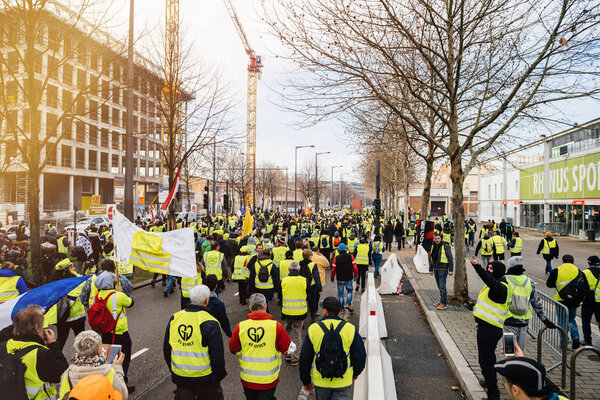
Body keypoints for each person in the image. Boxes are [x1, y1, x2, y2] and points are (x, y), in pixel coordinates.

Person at [163, 285, 227, 400]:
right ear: (206, 300)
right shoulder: (210, 321)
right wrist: (218, 377)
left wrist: (174, 371)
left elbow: (167, 349)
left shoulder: (175, 318)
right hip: (206, 379)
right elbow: (217, 355)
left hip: (181, 377)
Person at [299, 297, 366, 400]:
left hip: (321, 381)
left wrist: (306, 381)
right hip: (343, 380)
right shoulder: (350, 329)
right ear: (339, 310)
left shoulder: (313, 329)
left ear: (325, 311)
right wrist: (356, 373)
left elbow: (305, 358)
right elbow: (360, 355)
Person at [229, 293, 294, 400]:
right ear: (265, 306)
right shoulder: (276, 326)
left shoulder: (240, 327)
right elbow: (287, 349)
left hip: (248, 379)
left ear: (250, 308)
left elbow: (233, 349)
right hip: (268, 380)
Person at [3, 304, 68, 400]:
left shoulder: (3, 346)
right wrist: (53, 344)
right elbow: (62, 374)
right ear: (37, 328)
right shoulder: (41, 353)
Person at [470, 257, 508, 400]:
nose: (488, 270)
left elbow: (487, 279)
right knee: (488, 359)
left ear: (498, 271)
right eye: (488, 267)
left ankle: (493, 394)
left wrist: (477, 266)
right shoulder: (496, 285)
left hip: (489, 330)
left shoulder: (501, 287)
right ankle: (490, 381)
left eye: (491, 268)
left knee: (485, 362)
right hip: (487, 328)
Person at [93, 270, 134, 391]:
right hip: (120, 333)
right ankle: (122, 383)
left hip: (105, 333)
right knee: (123, 359)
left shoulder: (97, 296)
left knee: (109, 360)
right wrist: (121, 292)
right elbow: (131, 303)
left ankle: (109, 382)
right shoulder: (118, 295)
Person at [503, 256, 556, 351]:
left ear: (509, 266)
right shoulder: (529, 281)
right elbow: (536, 303)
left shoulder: (504, 280)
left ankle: (511, 365)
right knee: (520, 351)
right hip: (524, 321)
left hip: (508, 320)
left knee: (509, 350)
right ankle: (519, 364)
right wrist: (545, 320)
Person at [59, 330, 128, 400]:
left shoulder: (68, 375)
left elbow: (63, 397)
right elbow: (123, 395)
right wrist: (117, 368)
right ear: (98, 349)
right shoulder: (108, 371)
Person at [494, 342, 568, 400]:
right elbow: (548, 385)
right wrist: (522, 361)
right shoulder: (560, 397)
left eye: (505, 384)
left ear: (515, 390)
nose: (505, 387)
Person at [546, 254, 581, 349]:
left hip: (560, 300)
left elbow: (549, 284)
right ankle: (576, 339)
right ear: (573, 262)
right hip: (573, 300)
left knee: (562, 321)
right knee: (571, 319)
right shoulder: (578, 271)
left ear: (562, 261)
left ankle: (564, 342)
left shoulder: (556, 270)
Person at [281, 261, 309, 366]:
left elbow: (280, 295)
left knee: (287, 332)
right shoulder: (304, 280)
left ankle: (287, 354)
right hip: (300, 312)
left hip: (287, 311)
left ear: (288, 270)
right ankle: (295, 357)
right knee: (297, 335)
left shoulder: (283, 280)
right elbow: (308, 294)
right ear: (299, 269)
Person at [429, 233, 454, 310]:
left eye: (438, 238)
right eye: (435, 238)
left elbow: (450, 257)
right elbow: (431, 258)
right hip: (436, 268)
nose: (436, 240)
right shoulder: (433, 246)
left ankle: (444, 303)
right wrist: (430, 269)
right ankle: (441, 301)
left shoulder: (445, 246)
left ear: (441, 239)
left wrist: (451, 269)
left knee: (442, 286)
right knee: (439, 286)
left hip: (443, 269)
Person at [332, 243, 358, 313]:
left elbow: (333, 269)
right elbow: (355, 267)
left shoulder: (336, 258)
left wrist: (332, 277)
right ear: (345, 250)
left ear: (339, 250)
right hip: (348, 277)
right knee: (349, 290)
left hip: (340, 278)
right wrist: (356, 274)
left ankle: (341, 308)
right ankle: (348, 303)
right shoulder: (351, 257)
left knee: (341, 293)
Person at [299, 249, 322, 323]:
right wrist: (319, 288)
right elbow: (316, 277)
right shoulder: (313, 264)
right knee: (312, 301)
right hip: (312, 286)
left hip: (302, 285)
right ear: (309, 256)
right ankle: (313, 316)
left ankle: (302, 319)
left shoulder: (300, 264)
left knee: (303, 301)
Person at [581, 255, 600, 346]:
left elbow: (581, 287)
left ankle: (587, 340)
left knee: (586, 320)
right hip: (599, 302)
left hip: (588, 300)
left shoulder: (585, 272)